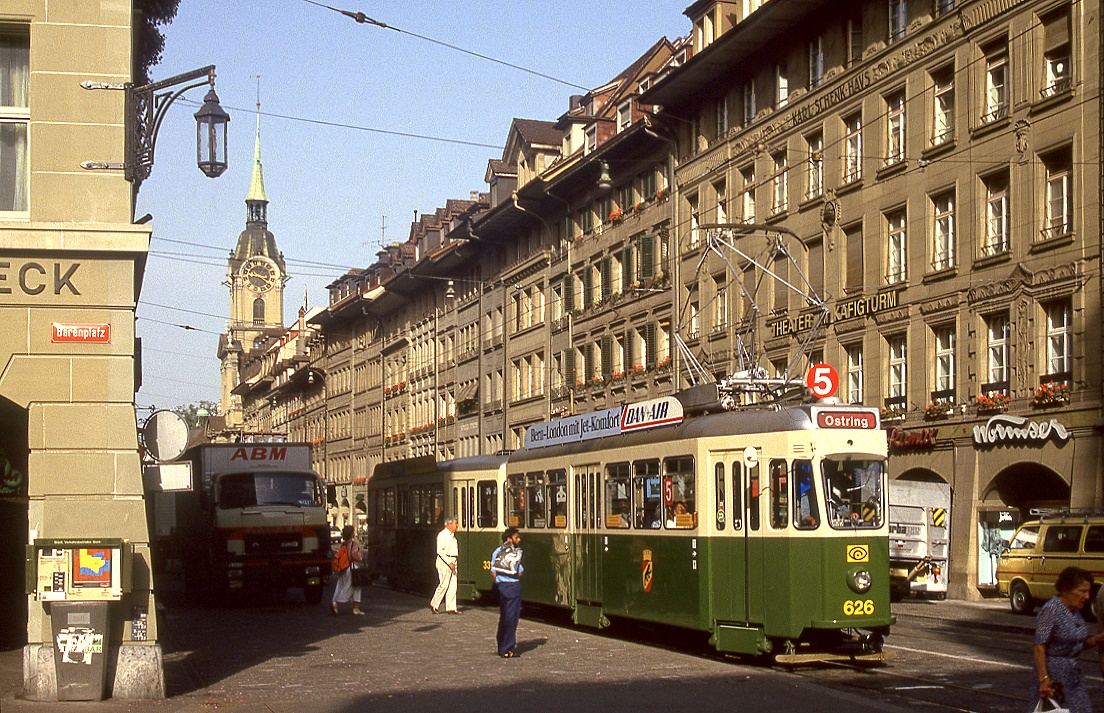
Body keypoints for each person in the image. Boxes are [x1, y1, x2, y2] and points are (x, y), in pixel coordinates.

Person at [1030, 566, 1101, 713]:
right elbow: (1039, 646)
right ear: (1066, 590)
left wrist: (1096, 640)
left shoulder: (1075, 612)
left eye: (1088, 592)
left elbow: (1074, 644)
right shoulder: (1052, 609)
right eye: (1082, 591)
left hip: (1073, 676)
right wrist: (1044, 679)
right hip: (1055, 677)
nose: (1087, 597)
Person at [492, 527, 524, 658]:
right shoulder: (515, 553)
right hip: (513, 586)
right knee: (512, 618)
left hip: (502, 586)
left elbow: (493, 571)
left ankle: (501, 644)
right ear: (509, 539)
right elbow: (520, 571)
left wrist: (500, 582)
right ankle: (507, 648)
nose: (519, 540)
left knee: (504, 616)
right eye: (516, 537)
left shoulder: (497, 552)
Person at [331, 525, 364, 616]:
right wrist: (360, 553)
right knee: (351, 587)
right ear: (351, 534)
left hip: (344, 568)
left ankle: (356, 608)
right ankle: (337, 602)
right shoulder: (354, 544)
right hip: (353, 568)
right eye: (354, 532)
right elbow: (356, 556)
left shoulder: (343, 544)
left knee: (350, 586)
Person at [430, 516, 460, 615]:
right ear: (449, 524)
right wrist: (449, 562)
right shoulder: (442, 535)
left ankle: (451, 607)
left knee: (453, 585)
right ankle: (434, 604)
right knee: (444, 584)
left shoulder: (453, 536)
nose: (457, 525)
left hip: (453, 560)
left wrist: (453, 562)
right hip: (444, 561)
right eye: (455, 523)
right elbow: (440, 551)